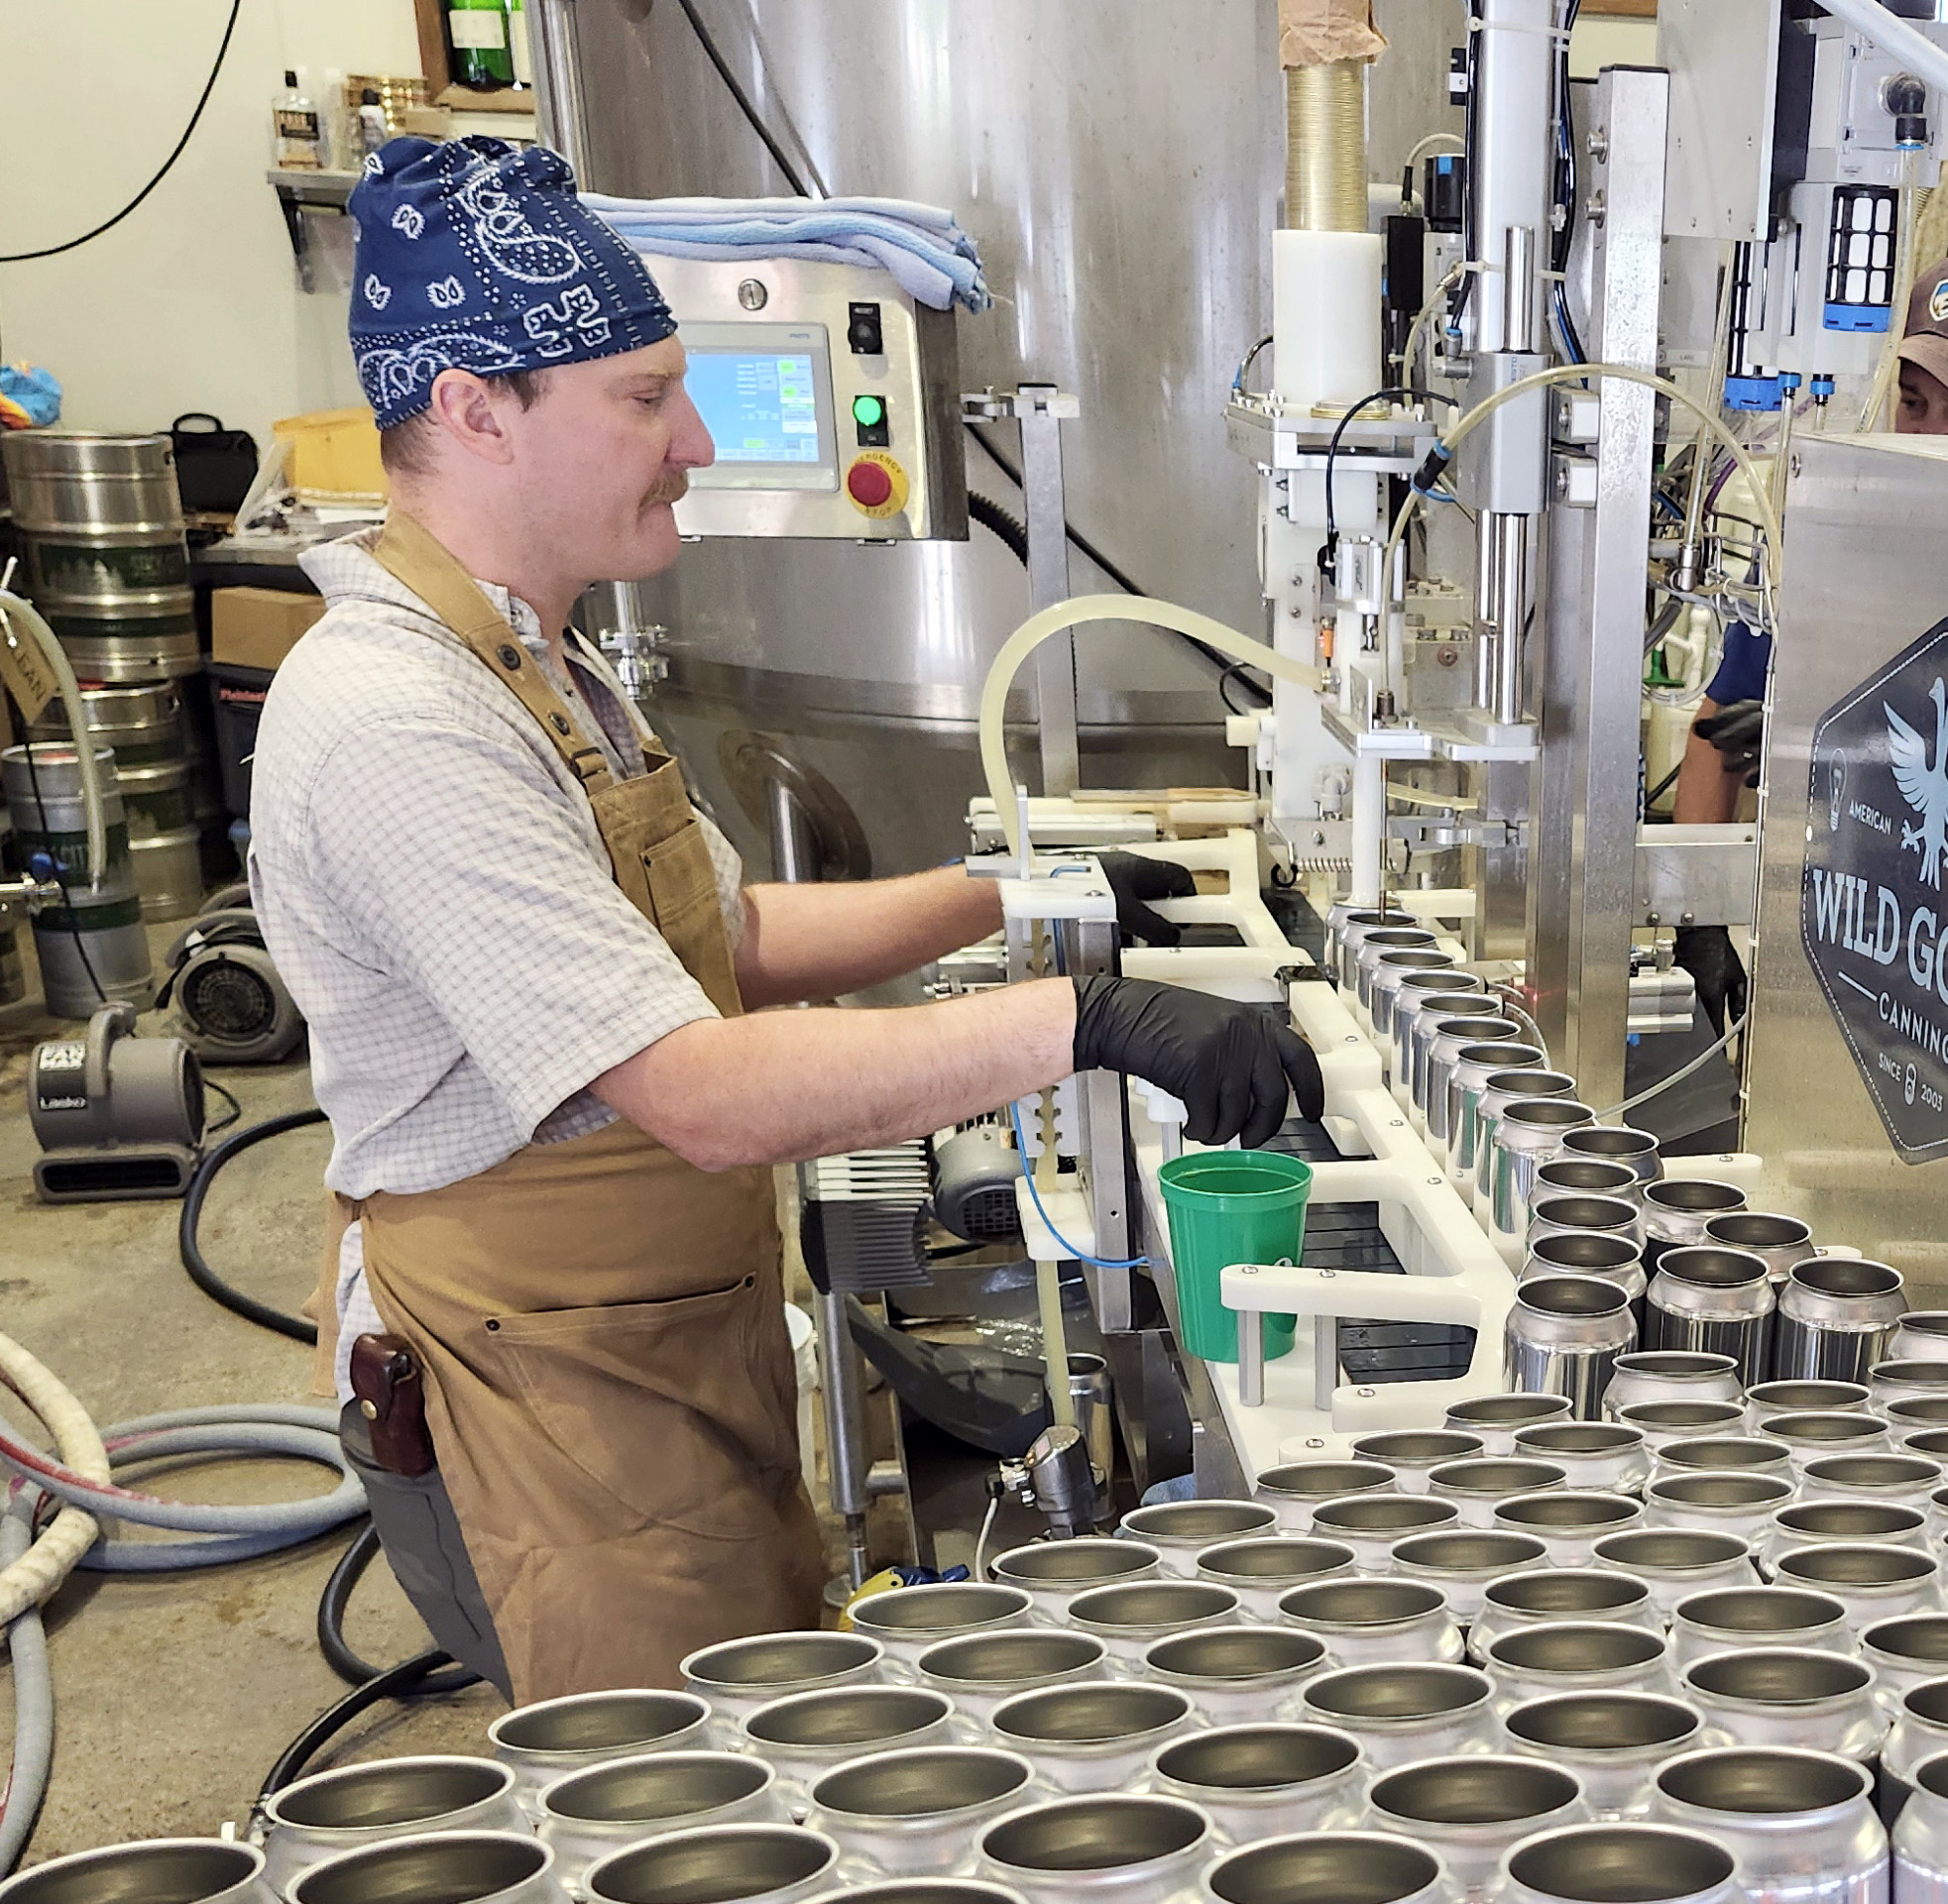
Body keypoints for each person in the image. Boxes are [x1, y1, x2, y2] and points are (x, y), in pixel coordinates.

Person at [249, 138, 1320, 1702]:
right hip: (540, 1381)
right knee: (666, 1792)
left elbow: (722, 933)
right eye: (640, 397)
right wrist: (1081, 1021)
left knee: (753, 1719)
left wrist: (1021, 897)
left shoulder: (537, 655)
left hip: (650, 1328)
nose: (691, 440)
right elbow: (692, 1086)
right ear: (477, 409)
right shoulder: (398, 719)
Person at [1668, 252, 1948, 1025]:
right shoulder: (1826, 547)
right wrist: (1702, 918)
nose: (1928, 434)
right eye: (1914, 403)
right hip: (1839, 943)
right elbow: (1716, 731)